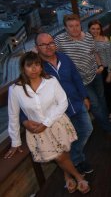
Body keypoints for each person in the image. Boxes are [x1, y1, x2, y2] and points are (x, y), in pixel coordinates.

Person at [5, 52, 90, 194]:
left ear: (41, 66)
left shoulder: (51, 81)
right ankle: (78, 176)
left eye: (37, 65)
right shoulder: (15, 90)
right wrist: (15, 142)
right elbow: (13, 115)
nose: (34, 69)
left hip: (56, 123)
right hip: (38, 131)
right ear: (23, 68)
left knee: (63, 152)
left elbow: (62, 102)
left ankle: (66, 175)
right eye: (29, 66)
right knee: (59, 156)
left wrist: (46, 122)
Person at [34, 33, 94, 175]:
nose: (48, 47)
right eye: (44, 44)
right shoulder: (36, 67)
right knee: (66, 139)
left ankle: (73, 159)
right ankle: (77, 162)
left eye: (51, 43)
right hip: (58, 113)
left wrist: (84, 97)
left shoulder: (64, 58)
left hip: (76, 102)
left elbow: (76, 77)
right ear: (37, 48)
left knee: (87, 129)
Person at [55, 14, 111, 138]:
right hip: (80, 81)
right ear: (65, 28)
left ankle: (107, 119)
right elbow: (47, 49)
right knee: (95, 105)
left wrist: (100, 66)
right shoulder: (60, 40)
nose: (75, 29)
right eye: (71, 26)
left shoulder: (88, 36)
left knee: (102, 99)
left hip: (95, 74)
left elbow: (94, 53)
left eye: (77, 25)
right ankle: (109, 129)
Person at [88, 20, 111, 118]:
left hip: (107, 69)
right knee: (102, 94)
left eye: (97, 29)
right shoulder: (88, 42)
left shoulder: (105, 39)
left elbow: (110, 56)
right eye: (93, 29)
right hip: (96, 71)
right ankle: (108, 112)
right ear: (89, 29)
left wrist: (109, 73)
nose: (95, 31)